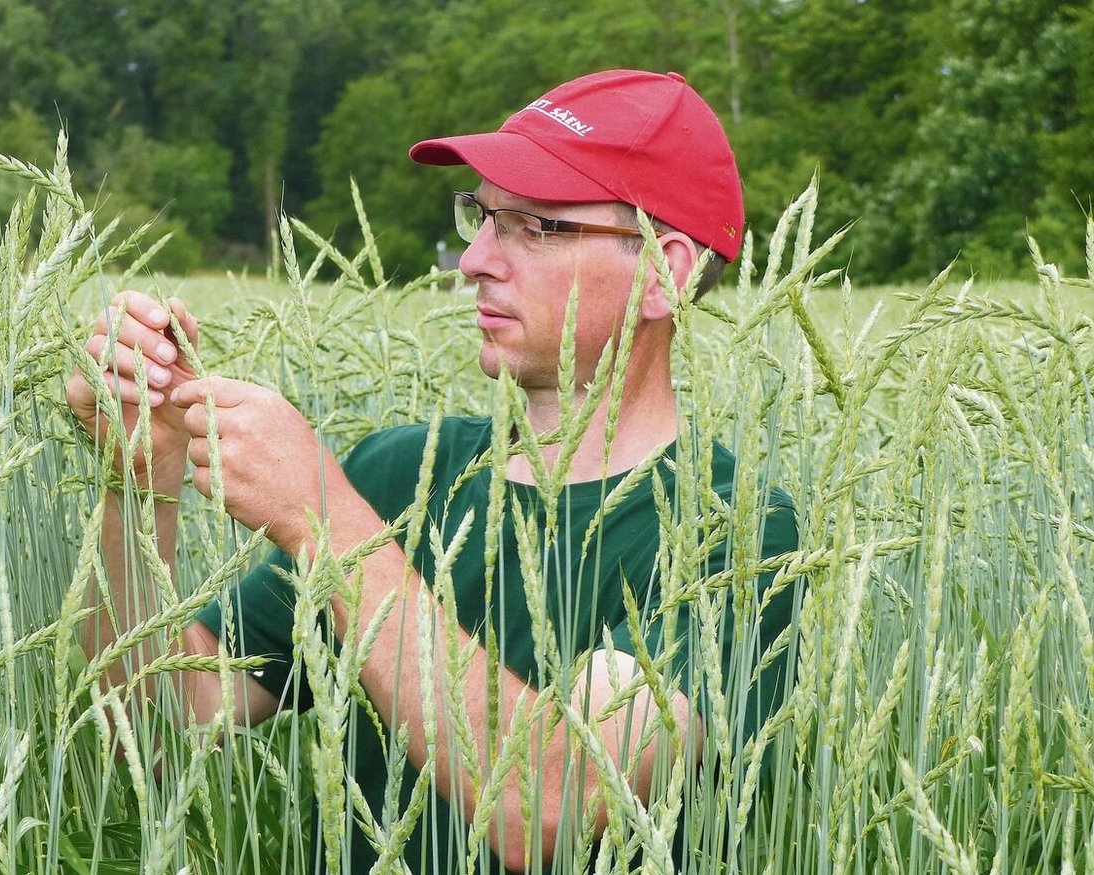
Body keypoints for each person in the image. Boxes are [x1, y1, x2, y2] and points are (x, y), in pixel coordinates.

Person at [66, 69, 798, 873]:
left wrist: (323, 521)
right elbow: (163, 718)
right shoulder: (402, 472)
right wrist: (139, 483)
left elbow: (550, 804)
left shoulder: (739, 531)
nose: (474, 260)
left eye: (534, 226)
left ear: (665, 271)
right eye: (481, 216)